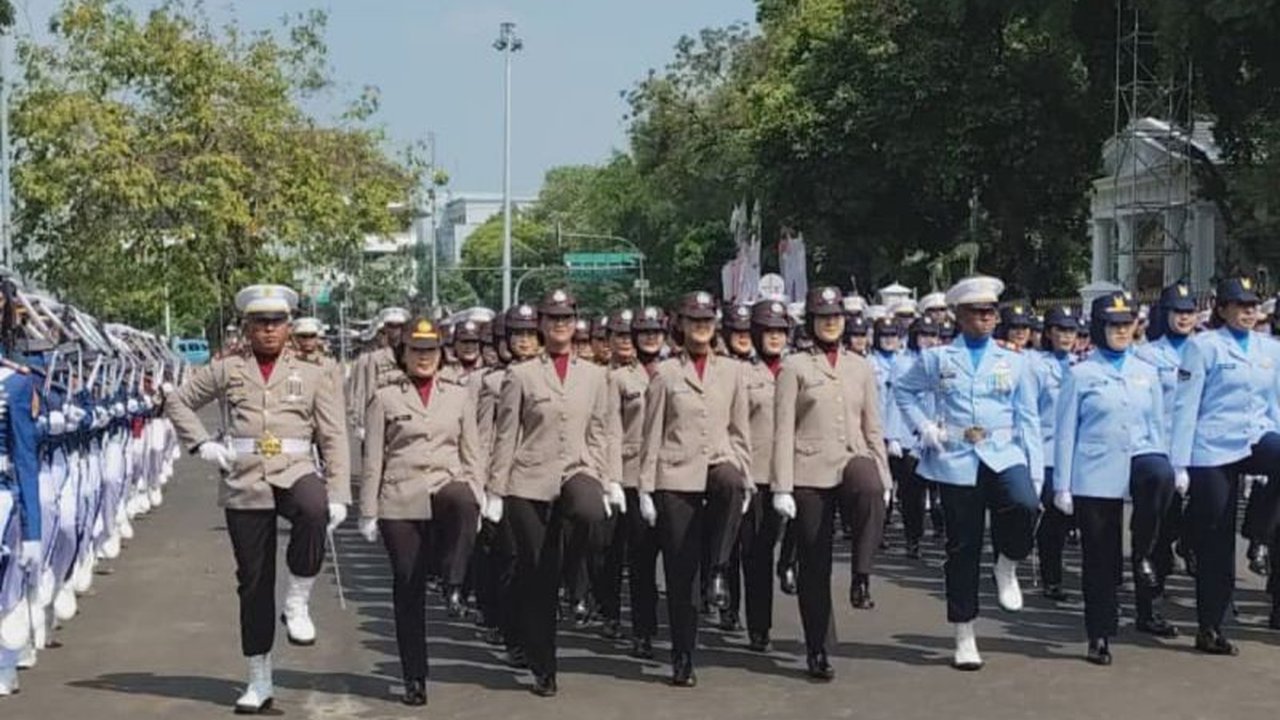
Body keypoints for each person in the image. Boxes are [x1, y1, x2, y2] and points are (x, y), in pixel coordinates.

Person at [165, 284, 350, 714]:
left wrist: (339, 491)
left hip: (295, 469)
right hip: (245, 479)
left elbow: (333, 434)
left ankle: (299, 600)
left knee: (314, 508)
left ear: (288, 326)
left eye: (277, 322)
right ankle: (259, 677)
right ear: (247, 327)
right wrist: (202, 445)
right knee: (253, 582)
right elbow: (178, 401)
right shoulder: (228, 370)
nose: (269, 330)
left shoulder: (314, 372)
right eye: (260, 323)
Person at [894, 276, 1043, 671]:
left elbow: (1028, 416)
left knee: (1025, 505)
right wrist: (924, 426)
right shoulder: (938, 358)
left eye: (991, 311)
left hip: (1004, 451)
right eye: (977, 312)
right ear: (959, 316)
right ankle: (964, 633)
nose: (987, 318)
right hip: (958, 456)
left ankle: (1008, 561)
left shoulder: (1015, 359)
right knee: (963, 548)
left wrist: (1037, 469)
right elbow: (903, 391)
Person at [485, 289, 618, 697]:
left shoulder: (596, 375)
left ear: (575, 322)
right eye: (552, 318)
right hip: (528, 481)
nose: (560, 325)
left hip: (576, 469)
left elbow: (601, 430)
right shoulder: (521, 375)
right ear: (541, 324)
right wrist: (495, 491)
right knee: (537, 574)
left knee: (592, 514)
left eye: (566, 318)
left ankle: (574, 574)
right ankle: (545, 666)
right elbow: (507, 435)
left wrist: (606, 477)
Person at [358, 317, 482, 705]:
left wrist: (479, 495)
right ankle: (414, 676)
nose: (424, 358)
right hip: (400, 499)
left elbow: (471, 451)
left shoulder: (459, 395)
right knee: (408, 584)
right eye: (417, 351)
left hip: (445, 488)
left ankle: (454, 582)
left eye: (431, 351)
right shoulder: (385, 397)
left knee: (462, 499)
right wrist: (367, 512)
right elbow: (373, 457)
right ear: (404, 354)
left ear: (441, 354)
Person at [772, 286, 891, 680]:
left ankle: (861, 575)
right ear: (811, 323)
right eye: (823, 317)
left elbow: (872, 425)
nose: (830, 323)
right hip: (809, 470)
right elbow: (783, 428)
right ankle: (817, 647)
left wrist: (884, 474)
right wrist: (782, 486)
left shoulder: (860, 366)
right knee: (814, 562)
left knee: (870, 489)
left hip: (851, 458)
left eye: (836, 317)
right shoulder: (795, 367)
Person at [1053, 292, 1176, 665]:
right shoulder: (1080, 373)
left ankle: (1145, 552)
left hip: (1139, 456)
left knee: (1161, 474)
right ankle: (1100, 632)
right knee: (1100, 557)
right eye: (1114, 325)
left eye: (1127, 325)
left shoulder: (1145, 371)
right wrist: (1063, 484)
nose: (1122, 332)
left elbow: (1156, 423)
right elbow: (1065, 432)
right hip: (1095, 470)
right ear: (1099, 327)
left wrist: (1166, 457)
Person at [638, 290, 751, 687]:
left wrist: (746, 474)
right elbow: (651, 435)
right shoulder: (666, 374)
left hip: (719, 463)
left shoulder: (733, 372)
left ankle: (718, 569)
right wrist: (646, 490)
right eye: (694, 320)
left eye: (707, 321)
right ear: (681, 325)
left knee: (731, 482)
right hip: (676, 475)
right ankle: (682, 655)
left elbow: (740, 431)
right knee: (680, 571)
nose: (701, 327)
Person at [1171, 277, 1280, 653]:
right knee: (1215, 535)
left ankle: (1258, 528)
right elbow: (1186, 407)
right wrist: (1180, 463)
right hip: (1213, 445)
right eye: (1240, 305)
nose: (1249, 312)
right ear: (1221, 309)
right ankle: (1210, 626)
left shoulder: (1270, 348)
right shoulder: (1203, 348)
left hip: (1256, 435)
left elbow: (1275, 403)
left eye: (1253, 305)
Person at [601, 306, 668, 659]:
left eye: (656, 332)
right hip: (630, 472)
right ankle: (641, 629)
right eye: (643, 333)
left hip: (669, 474)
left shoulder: (674, 373)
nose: (650, 338)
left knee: (673, 553)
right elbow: (611, 431)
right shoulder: (618, 378)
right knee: (638, 557)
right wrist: (611, 478)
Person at [730, 299, 789, 652]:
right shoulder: (740, 373)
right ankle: (758, 624)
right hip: (755, 473)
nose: (774, 337)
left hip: (796, 474)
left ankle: (790, 566)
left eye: (780, 331)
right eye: (768, 331)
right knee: (754, 552)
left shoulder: (798, 368)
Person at [1135, 283, 1201, 598]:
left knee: (1206, 514)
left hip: (1199, 446)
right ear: (1166, 314)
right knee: (1159, 523)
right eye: (1178, 311)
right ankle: (1149, 601)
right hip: (1160, 447)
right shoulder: (1147, 355)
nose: (1184, 317)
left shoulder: (1205, 349)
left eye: (1189, 311)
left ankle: (1189, 547)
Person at [1034, 307, 1080, 601]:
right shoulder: (1036, 367)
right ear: (1049, 333)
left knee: (1068, 518)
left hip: (1077, 453)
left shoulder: (1081, 366)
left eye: (1071, 331)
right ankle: (1050, 576)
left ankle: (1055, 574)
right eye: (1060, 330)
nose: (1066, 336)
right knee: (1051, 512)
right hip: (1046, 450)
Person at [896, 316, 942, 559]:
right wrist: (893, 436)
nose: (928, 339)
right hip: (911, 436)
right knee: (913, 494)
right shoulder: (903, 364)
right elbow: (896, 403)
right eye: (923, 334)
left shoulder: (943, 360)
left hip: (941, 434)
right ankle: (912, 538)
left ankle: (943, 531)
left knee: (943, 494)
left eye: (932, 334)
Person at [348, 307, 409, 439]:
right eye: (391, 326)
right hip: (380, 416)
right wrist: (360, 421)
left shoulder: (410, 354)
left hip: (406, 416)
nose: (395, 331)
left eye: (399, 326)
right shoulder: (371, 358)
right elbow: (364, 390)